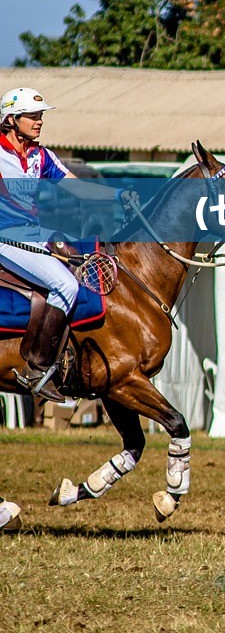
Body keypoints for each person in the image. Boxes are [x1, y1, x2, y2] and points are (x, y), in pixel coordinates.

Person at [0, 88, 135, 400]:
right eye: (33, 116)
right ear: (12, 119)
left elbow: (79, 188)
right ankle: (37, 367)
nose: (39, 121)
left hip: (36, 235)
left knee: (80, 262)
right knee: (66, 285)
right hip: (7, 241)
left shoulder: (41, 157)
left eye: (40, 115)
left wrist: (116, 195)